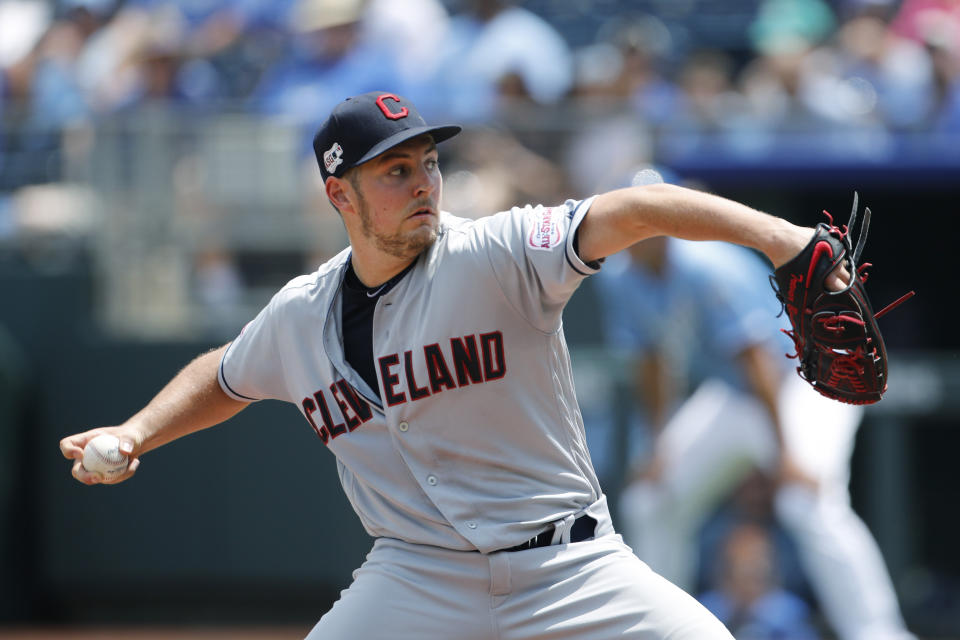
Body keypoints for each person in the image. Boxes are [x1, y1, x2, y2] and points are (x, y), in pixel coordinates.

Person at [60, 91, 839, 639]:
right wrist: (135, 431)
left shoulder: (497, 251)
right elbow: (224, 375)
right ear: (342, 195)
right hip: (416, 578)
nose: (422, 184)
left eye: (427, 163)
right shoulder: (300, 314)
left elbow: (634, 210)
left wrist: (784, 239)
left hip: (567, 564)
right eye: (393, 173)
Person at [595, 230, 916, 640]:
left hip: (805, 384)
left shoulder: (709, 266)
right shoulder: (621, 276)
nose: (639, 233)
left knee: (807, 502)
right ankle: (660, 631)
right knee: (652, 499)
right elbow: (650, 361)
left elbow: (757, 358)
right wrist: (656, 447)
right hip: (734, 394)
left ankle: (879, 633)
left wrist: (785, 454)